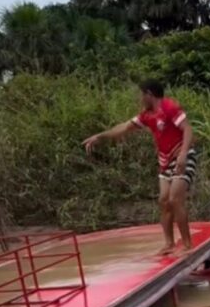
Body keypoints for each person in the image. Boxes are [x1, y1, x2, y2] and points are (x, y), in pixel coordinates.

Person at [83, 79, 196, 255]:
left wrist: (183, 154)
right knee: (163, 201)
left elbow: (188, 129)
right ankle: (169, 243)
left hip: (181, 155)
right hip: (165, 160)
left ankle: (188, 245)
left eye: (141, 95)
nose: (140, 98)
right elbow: (124, 127)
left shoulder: (169, 107)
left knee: (175, 199)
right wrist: (100, 136)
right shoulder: (146, 115)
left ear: (149, 94)